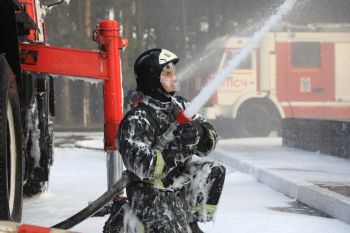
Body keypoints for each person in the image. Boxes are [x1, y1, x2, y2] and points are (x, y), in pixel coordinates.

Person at [104, 48, 226, 233]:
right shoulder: (138, 118)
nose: (175, 78)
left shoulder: (181, 106)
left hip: (177, 185)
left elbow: (211, 141)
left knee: (213, 170)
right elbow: (145, 168)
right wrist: (179, 149)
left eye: (174, 73)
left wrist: (200, 134)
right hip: (149, 193)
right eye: (168, 73)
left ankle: (191, 221)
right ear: (153, 78)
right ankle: (129, 223)